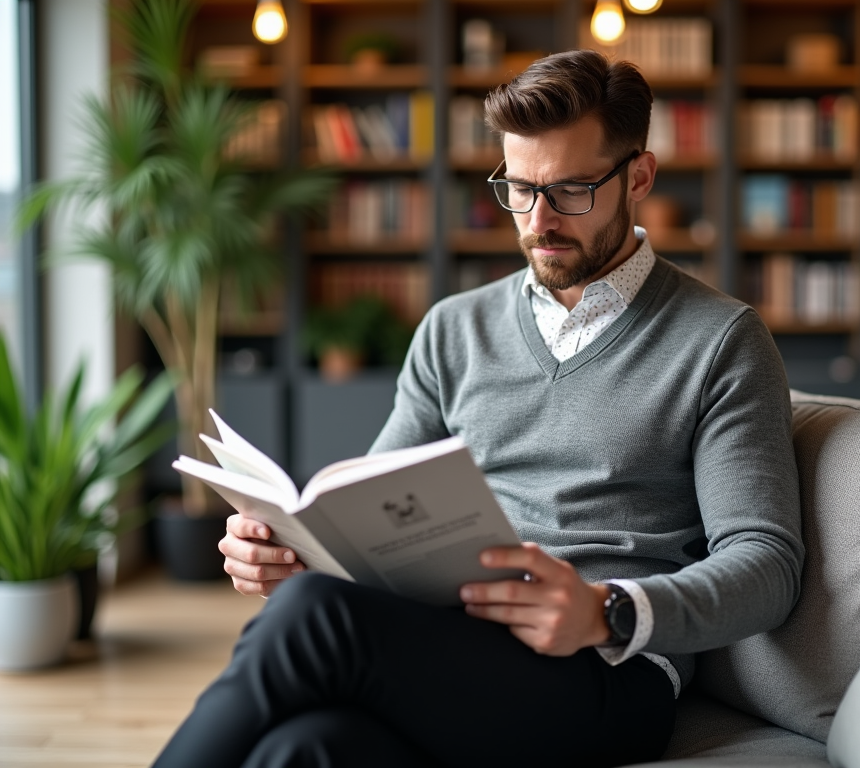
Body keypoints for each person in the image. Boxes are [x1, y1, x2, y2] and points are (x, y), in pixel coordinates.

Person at [153, 49, 803, 768]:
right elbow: (369, 507)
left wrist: (608, 610)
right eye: (519, 190)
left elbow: (767, 565)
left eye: (572, 191)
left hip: (606, 673)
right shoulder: (453, 330)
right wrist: (296, 552)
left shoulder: (720, 341)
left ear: (639, 177)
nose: (539, 220)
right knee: (308, 747)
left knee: (311, 620)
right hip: (449, 642)